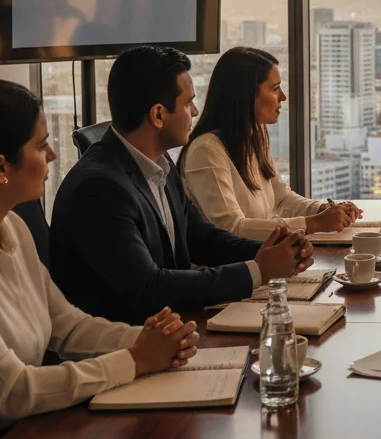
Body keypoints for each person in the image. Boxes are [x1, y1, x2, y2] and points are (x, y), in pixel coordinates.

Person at [0, 79, 199, 439]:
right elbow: (12, 390)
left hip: (23, 438)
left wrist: (149, 340)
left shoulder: (12, 227)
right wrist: (136, 359)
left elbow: (66, 325)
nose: (53, 154)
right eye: (42, 145)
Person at [50, 46, 313, 326]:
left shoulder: (159, 162)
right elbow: (149, 288)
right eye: (189, 103)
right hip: (128, 340)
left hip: (171, 327)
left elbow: (202, 239)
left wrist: (273, 250)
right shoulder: (99, 189)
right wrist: (257, 270)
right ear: (158, 115)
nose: (195, 111)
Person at [179, 46, 361, 238]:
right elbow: (231, 228)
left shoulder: (254, 136)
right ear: (247, 95)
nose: (283, 97)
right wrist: (315, 223)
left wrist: (323, 210)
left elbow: (281, 199)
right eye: (275, 89)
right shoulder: (206, 150)